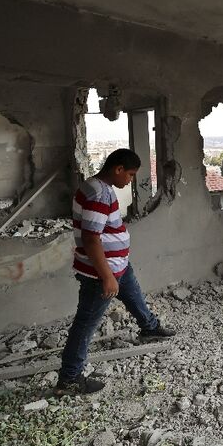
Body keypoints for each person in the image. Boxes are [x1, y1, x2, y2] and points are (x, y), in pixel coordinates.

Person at [55, 148, 174, 395]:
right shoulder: (99, 193)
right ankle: (69, 379)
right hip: (102, 272)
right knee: (86, 323)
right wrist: (107, 276)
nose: (130, 180)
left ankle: (149, 327)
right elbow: (91, 238)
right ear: (117, 169)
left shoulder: (95, 185)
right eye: (129, 174)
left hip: (118, 265)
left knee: (134, 295)